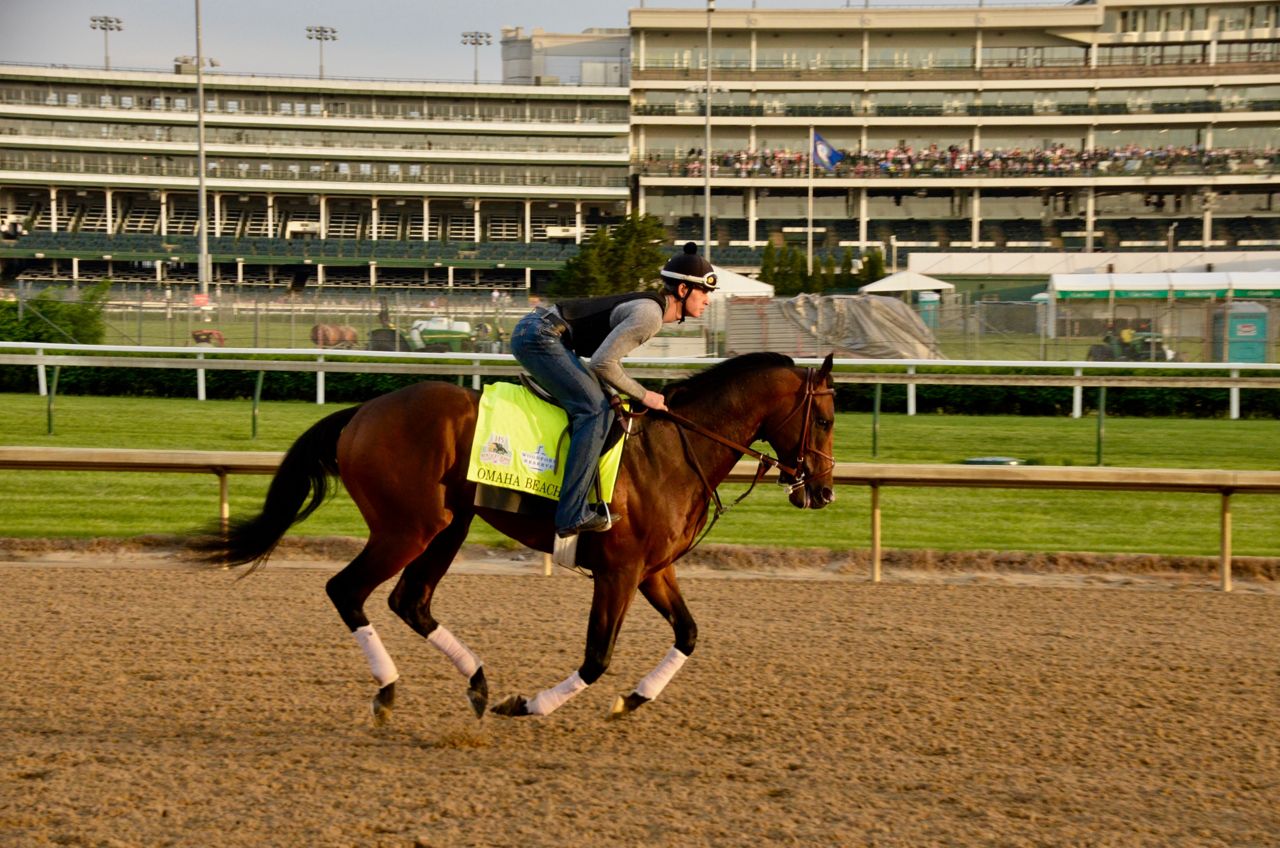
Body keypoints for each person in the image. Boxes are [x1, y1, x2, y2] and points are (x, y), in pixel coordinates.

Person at [510, 242, 717, 537]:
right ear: (683, 290)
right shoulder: (650, 316)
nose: (708, 300)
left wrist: (619, 391)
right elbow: (602, 364)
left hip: (540, 331)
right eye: (704, 291)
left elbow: (605, 364)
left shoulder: (649, 309)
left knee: (606, 403)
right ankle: (571, 513)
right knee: (595, 411)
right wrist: (646, 396)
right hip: (539, 336)